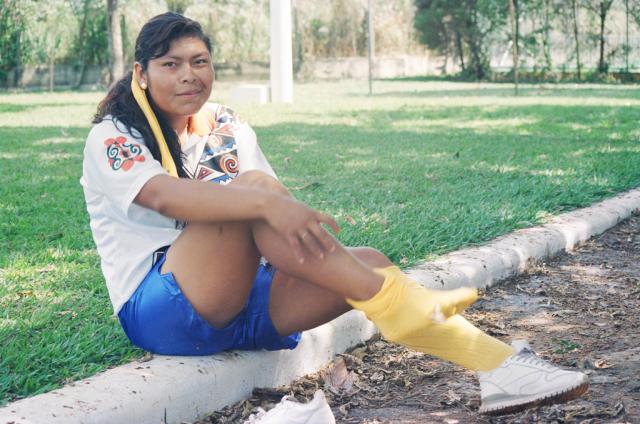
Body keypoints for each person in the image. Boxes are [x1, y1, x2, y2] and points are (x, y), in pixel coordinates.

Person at [81, 12, 588, 416]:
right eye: (170, 64)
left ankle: (497, 367)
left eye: (200, 61)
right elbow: (168, 197)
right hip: (160, 307)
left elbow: (274, 202)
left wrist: (276, 214)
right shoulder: (114, 135)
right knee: (248, 196)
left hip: (239, 300)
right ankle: (406, 305)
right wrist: (261, 201)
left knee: (367, 262)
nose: (189, 74)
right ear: (141, 75)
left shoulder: (227, 126)